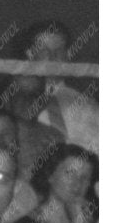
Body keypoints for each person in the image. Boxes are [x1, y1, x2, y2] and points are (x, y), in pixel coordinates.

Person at [20, 20, 98, 152]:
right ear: (30, 54)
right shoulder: (13, 100)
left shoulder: (88, 105)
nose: (52, 57)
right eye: (44, 51)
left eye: (59, 51)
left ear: (68, 54)